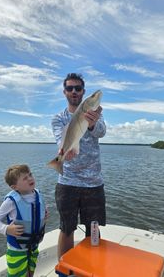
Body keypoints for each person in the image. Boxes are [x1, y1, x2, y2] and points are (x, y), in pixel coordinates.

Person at [51, 73, 106, 260]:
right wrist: (64, 152)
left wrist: (92, 124)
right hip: (67, 182)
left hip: (93, 182)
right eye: (70, 88)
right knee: (66, 229)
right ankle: (64, 269)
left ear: (83, 92)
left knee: (94, 229)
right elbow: (61, 140)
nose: (74, 91)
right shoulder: (58, 118)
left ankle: (92, 267)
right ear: (64, 92)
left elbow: (102, 133)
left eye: (78, 88)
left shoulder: (96, 112)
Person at [0, 164, 48, 277]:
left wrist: (44, 215)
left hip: (34, 245)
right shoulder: (11, 201)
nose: (30, 178)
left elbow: (39, 211)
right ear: (14, 187)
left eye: (30, 175)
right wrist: (7, 229)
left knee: (31, 272)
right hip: (17, 249)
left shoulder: (38, 194)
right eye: (25, 178)